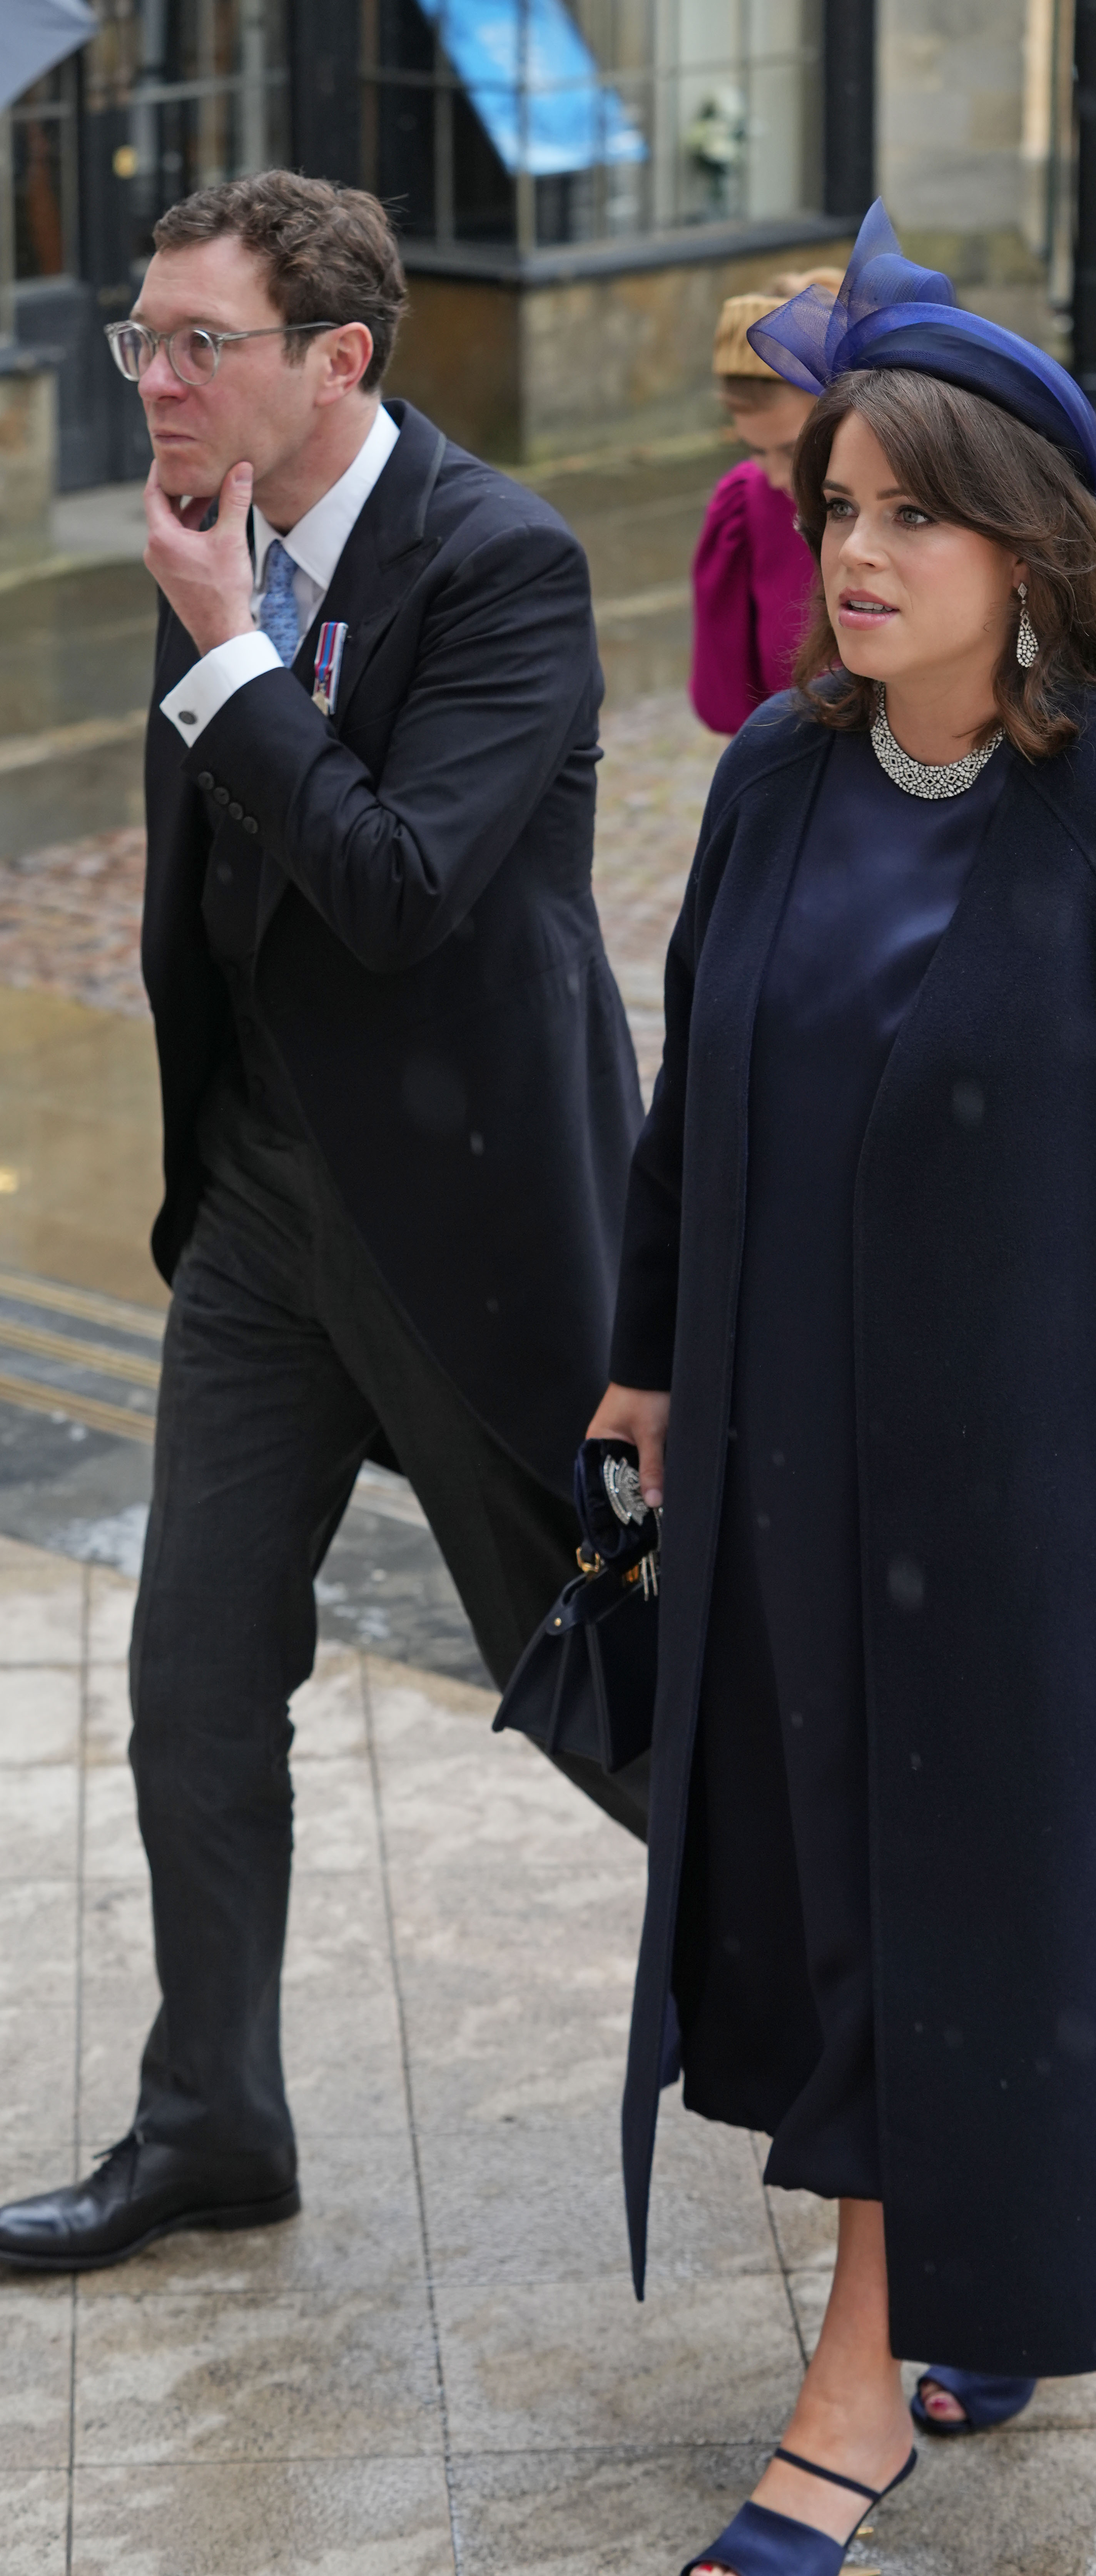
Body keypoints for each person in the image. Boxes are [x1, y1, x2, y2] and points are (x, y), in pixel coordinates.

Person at [587, 203, 1096, 2575]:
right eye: (835, 509)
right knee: (854, 1913)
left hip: (1058, 1503)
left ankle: (856, 2394)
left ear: (1028, 539)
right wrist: (641, 1368)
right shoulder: (777, 787)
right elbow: (692, 1099)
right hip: (792, 1488)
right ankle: (957, 2276)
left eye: (909, 511)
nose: (854, 553)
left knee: (994, 1924)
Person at [0, 172, 646, 2275]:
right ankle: (212, 2125)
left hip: (473, 1235)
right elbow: (216, 909)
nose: (154, 383)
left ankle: (885, 2019)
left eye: (199, 345)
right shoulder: (213, 535)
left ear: (338, 359)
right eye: (140, 340)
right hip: (267, 1223)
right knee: (193, 1677)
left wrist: (220, 654)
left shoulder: (505, 566)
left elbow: (389, 885)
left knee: (612, 1694)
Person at [689, 271, 843, 735]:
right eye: (755, 451)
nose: (778, 478)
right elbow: (733, 707)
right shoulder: (746, 505)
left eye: (795, 451)